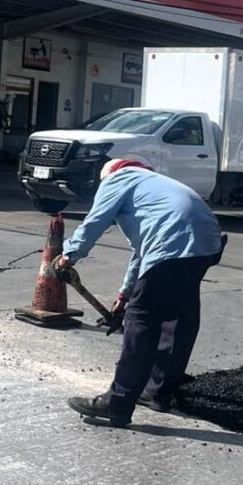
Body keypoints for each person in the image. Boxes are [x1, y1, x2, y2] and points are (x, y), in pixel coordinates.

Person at [54, 159, 226, 427]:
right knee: (177, 317)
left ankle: (118, 403)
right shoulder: (155, 186)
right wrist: (125, 294)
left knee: (141, 320)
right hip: (206, 245)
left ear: (110, 173)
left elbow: (96, 221)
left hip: (173, 243)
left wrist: (68, 256)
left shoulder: (118, 178)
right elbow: (142, 250)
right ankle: (159, 392)